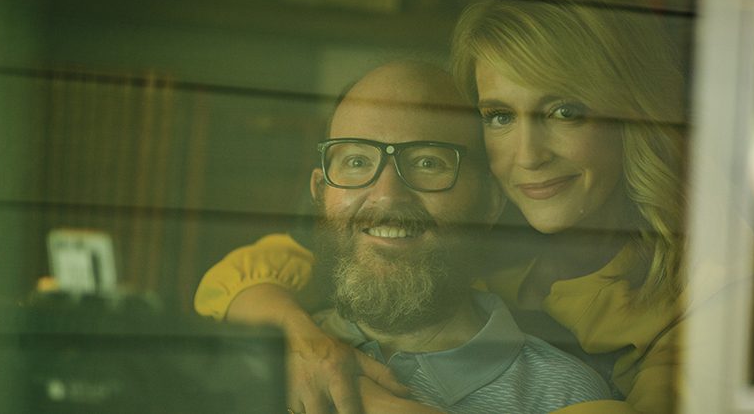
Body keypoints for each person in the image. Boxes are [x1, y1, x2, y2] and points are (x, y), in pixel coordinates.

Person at [195, 0, 754, 413]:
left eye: (564, 111)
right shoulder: (476, 232)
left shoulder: (713, 280)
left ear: (630, 114)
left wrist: (367, 396)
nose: (528, 157)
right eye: (500, 117)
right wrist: (300, 335)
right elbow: (252, 271)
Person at [198, 61, 611, 413]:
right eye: (357, 161)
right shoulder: (239, 361)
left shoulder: (565, 397)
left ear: (490, 202)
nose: (387, 195)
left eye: (428, 162)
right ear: (320, 191)